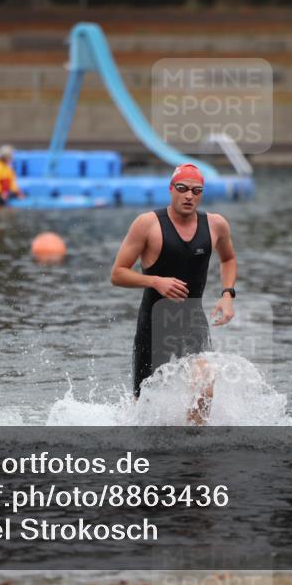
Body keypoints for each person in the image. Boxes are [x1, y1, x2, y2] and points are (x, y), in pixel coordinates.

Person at [110, 164, 237, 423]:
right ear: (171, 189)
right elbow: (118, 274)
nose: (189, 195)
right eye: (182, 188)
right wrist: (155, 281)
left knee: (205, 386)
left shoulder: (216, 224)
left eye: (196, 190)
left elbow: (228, 259)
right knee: (143, 407)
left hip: (192, 321)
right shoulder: (147, 224)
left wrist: (227, 295)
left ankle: (193, 444)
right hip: (153, 325)